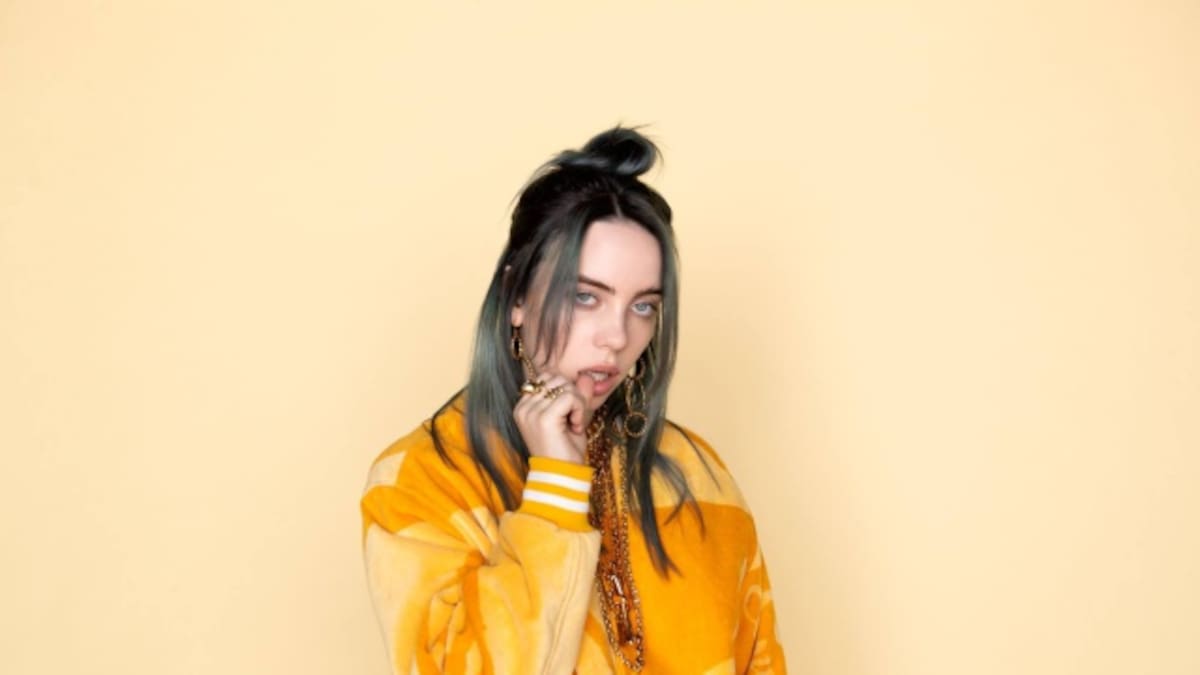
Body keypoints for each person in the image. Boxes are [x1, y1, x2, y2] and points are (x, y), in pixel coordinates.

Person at [360, 127, 787, 673]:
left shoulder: (699, 476)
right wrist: (555, 487)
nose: (617, 337)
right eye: (586, 297)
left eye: (643, 306)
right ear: (516, 296)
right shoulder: (421, 480)